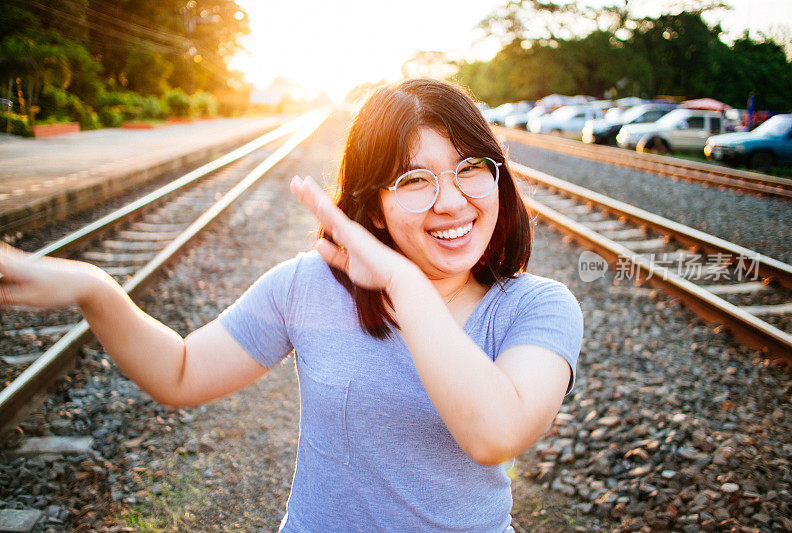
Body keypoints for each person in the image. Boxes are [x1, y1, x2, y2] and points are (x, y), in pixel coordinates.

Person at [0, 78, 583, 532]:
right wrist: (94, 289)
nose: (452, 201)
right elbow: (180, 372)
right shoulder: (310, 286)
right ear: (374, 206)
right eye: (414, 180)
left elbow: (494, 434)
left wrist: (404, 284)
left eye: (471, 170)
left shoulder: (536, 309)